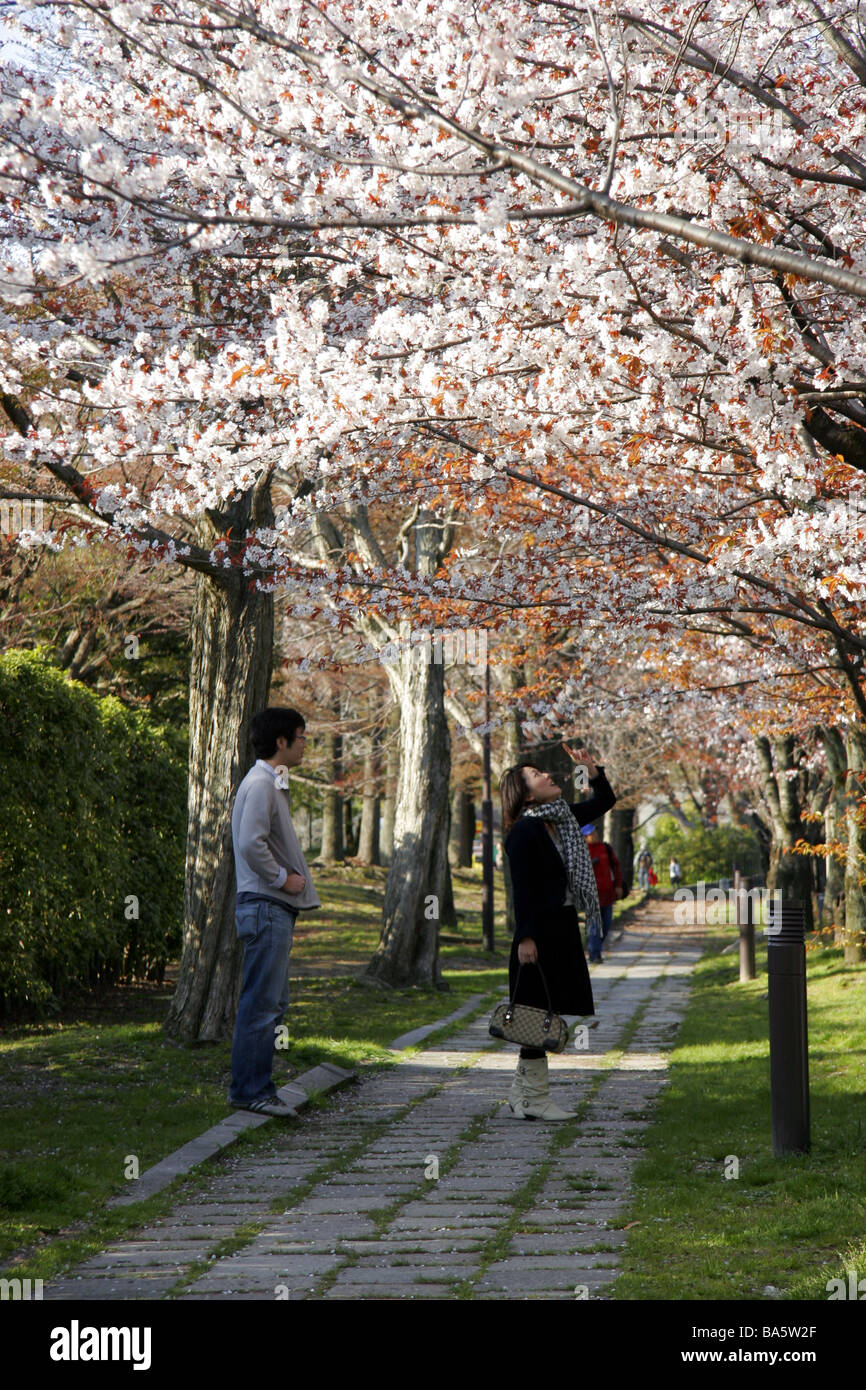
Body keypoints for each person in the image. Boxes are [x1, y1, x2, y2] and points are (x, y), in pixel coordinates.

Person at [500, 745, 617, 1121]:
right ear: (527, 793)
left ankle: (522, 1094)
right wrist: (526, 937)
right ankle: (534, 1099)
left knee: (544, 1011)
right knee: (535, 1014)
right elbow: (523, 887)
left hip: (562, 927)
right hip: (540, 933)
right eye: (538, 776)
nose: (549, 776)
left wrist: (590, 770)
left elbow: (605, 800)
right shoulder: (524, 831)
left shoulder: (561, 819)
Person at [229, 707, 320, 1117]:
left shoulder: (270, 783)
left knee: (269, 1003)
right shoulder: (262, 784)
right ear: (280, 741)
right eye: (300, 736)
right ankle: (251, 1092)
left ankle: (257, 1088)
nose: (304, 744)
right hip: (266, 906)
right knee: (261, 1004)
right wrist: (284, 878)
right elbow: (251, 843)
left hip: (270, 908)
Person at [582, 825, 623, 963]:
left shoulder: (606, 848)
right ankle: (595, 954)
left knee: (605, 925)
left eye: (594, 832)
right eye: (590, 834)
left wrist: (618, 885)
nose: (593, 835)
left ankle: (595, 948)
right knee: (594, 926)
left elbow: (616, 867)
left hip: (607, 894)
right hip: (591, 896)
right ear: (585, 837)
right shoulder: (581, 851)